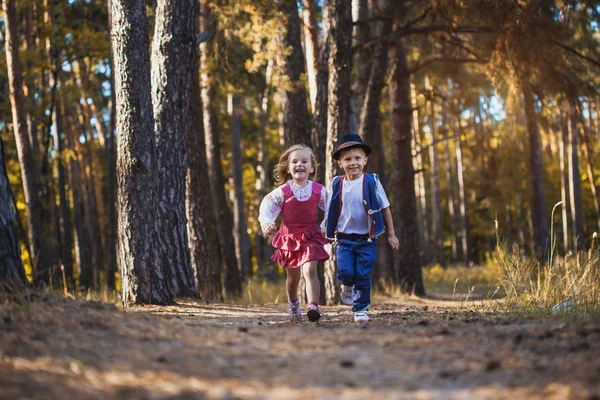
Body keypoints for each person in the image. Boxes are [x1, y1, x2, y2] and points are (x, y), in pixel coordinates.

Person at [324, 134, 399, 322]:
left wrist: (391, 234)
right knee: (345, 272)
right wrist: (326, 230)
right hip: (343, 238)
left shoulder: (372, 181)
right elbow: (331, 209)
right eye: (347, 159)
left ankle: (361, 309)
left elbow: (385, 207)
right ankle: (346, 286)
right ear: (340, 163)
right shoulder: (337, 183)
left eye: (357, 158)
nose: (353, 163)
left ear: (365, 160)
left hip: (366, 239)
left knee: (363, 274)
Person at [259, 144, 330, 322]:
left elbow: (332, 207)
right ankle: (293, 304)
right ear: (288, 168)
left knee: (310, 271)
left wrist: (326, 224)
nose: (300, 164)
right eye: (295, 161)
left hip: (310, 236)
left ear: (312, 167)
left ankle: (313, 306)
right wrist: (267, 223)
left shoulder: (318, 190)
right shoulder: (283, 191)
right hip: (289, 238)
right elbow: (267, 206)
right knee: (293, 278)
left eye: (304, 161)